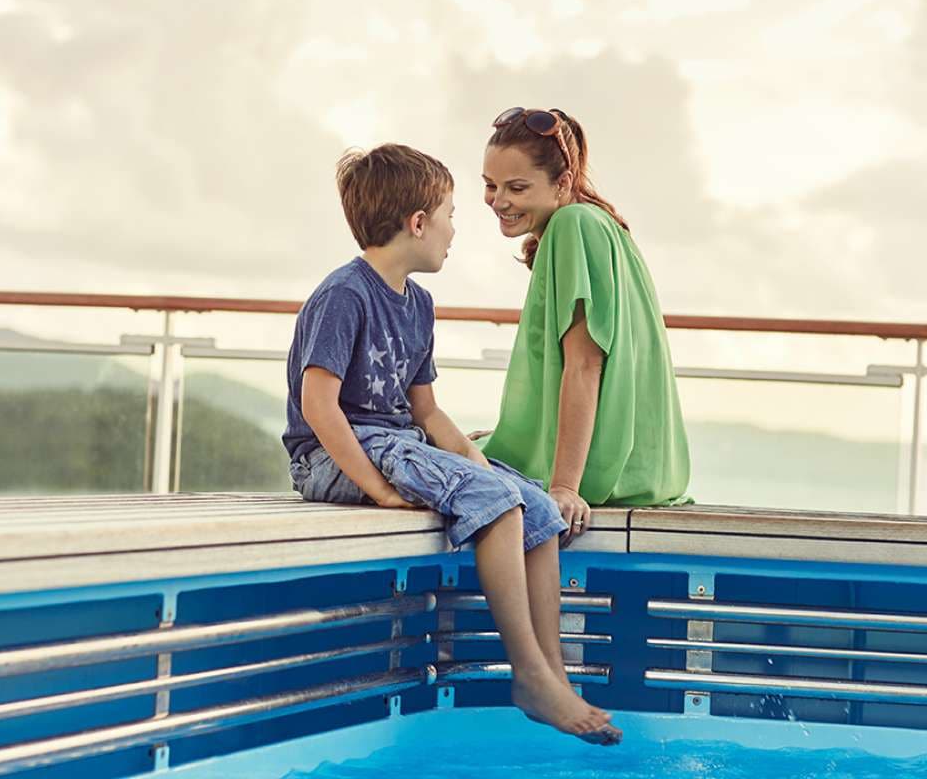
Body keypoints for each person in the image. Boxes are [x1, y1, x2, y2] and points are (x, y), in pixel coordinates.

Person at [282, 143, 621, 745]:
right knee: (495, 505)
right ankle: (528, 674)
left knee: (534, 507)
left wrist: (478, 461)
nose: (454, 230)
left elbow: (427, 411)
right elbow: (319, 406)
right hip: (335, 454)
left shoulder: (418, 305)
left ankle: (554, 673)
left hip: (399, 440)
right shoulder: (344, 294)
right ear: (417, 223)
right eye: (450, 214)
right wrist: (377, 490)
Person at [478, 107, 692, 540]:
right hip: (645, 469)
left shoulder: (573, 226)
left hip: (599, 473)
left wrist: (563, 487)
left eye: (516, 187)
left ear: (563, 182)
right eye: (490, 185)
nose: (499, 201)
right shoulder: (601, 224)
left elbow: (585, 365)